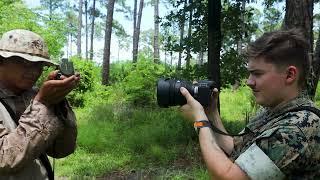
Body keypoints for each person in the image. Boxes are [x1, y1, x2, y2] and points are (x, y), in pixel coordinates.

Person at [179, 28, 320, 179]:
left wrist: (200, 122)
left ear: (290, 75)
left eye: (257, 74)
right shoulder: (275, 111)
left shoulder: (297, 128)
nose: (249, 82)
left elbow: (230, 177)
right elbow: (235, 148)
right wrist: (211, 113)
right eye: (250, 73)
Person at [0, 29, 80, 179]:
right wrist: (43, 103)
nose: (33, 71)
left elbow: (61, 150)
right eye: (23, 62)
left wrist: (57, 102)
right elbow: (5, 160)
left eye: (39, 64)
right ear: (1, 61)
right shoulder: (40, 99)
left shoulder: (33, 95)